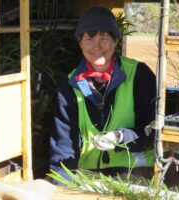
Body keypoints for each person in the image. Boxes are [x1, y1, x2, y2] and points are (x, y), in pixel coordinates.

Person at [50, 6, 156, 184]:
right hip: (86, 177)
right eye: (89, 39)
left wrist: (121, 137)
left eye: (104, 38)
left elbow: (153, 129)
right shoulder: (71, 85)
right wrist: (63, 189)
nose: (97, 47)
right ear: (80, 43)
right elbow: (63, 148)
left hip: (135, 173)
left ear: (115, 41)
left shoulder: (139, 75)